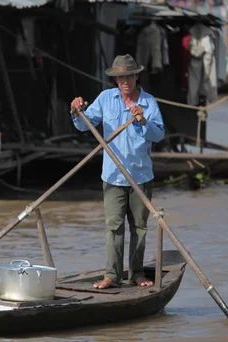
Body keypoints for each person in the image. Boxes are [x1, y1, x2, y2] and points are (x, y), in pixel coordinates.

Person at [70, 54, 165, 289]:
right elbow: (84, 125)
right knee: (114, 227)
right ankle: (112, 275)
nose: (125, 81)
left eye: (129, 76)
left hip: (140, 176)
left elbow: (159, 135)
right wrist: (76, 111)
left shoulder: (148, 102)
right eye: (120, 77)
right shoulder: (105, 99)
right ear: (115, 78)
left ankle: (137, 273)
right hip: (112, 176)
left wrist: (142, 120)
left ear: (136, 76)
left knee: (140, 229)